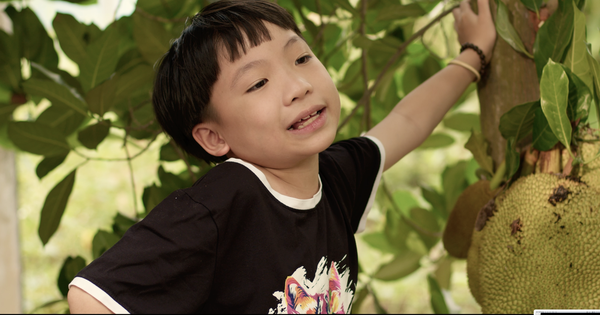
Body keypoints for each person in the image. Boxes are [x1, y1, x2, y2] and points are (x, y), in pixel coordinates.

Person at [67, 0, 496, 313]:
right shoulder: (225, 200)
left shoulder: (335, 177)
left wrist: (473, 52)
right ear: (214, 137)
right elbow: (90, 299)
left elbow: (406, 122)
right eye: (258, 84)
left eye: (302, 58)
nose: (298, 85)